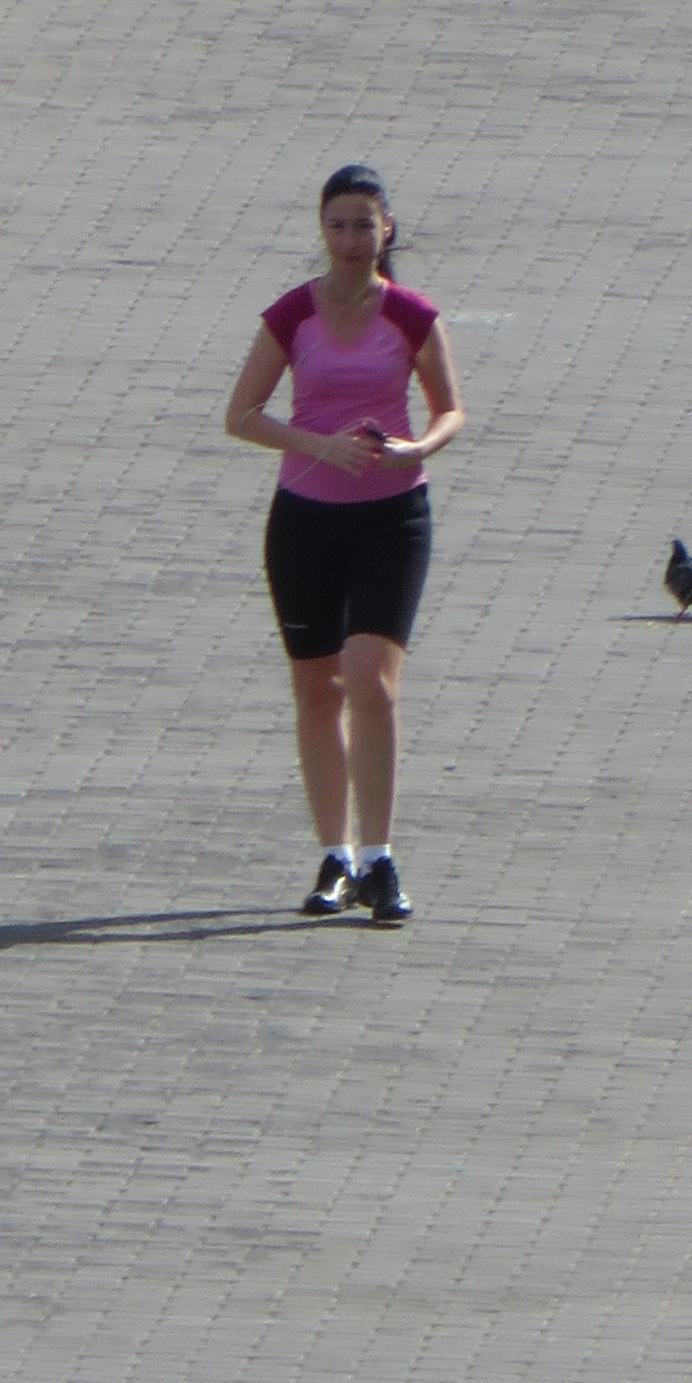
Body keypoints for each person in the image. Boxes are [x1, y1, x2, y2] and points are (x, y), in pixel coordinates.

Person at [223, 163, 465, 928]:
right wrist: (318, 446)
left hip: (393, 518)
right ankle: (337, 858)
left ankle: (381, 859)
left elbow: (451, 411)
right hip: (305, 519)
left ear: (387, 229)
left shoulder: (412, 316)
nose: (352, 239)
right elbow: (241, 414)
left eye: (365, 224)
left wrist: (416, 447)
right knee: (317, 689)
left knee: (373, 684)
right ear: (321, 230)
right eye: (338, 225)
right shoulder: (293, 314)